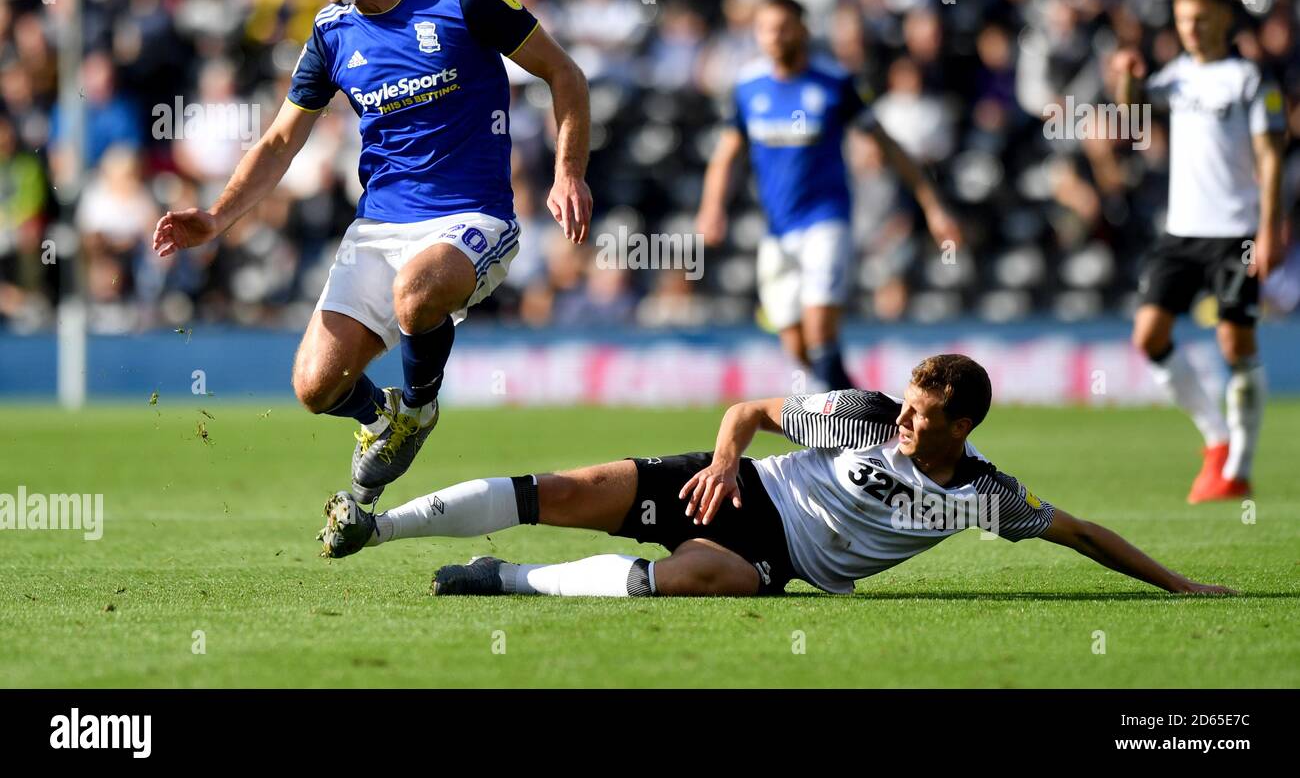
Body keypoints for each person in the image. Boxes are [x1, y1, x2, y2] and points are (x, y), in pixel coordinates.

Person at [152, 0, 593, 503]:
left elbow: (564, 73)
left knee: (416, 292)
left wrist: (568, 171)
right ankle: (381, 421)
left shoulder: (462, 0)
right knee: (314, 387)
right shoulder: (331, 32)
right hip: (379, 228)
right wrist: (217, 217)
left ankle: (418, 408)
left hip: (473, 219)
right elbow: (280, 141)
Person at [318, 353, 1235, 599]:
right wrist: (723, 463)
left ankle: (501, 580)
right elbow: (750, 414)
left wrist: (1181, 583)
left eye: (925, 416)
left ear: (965, 426)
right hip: (744, 488)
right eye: (907, 407)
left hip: (775, 556)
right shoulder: (865, 413)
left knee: (698, 580)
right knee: (565, 489)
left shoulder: (983, 494)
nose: (906, 422)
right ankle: (376, 526)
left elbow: (1080, 534)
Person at [695, 0, 959, 392]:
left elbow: (888, 145)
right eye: (766, 28)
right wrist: (711, 208)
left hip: (826, 219)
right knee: (797, 344)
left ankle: (848, 429)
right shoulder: (749, 86)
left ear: (802, 29)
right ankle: (861, 409)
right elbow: (726, 154)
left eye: (783, 26)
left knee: (820, 330)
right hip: (777, 228)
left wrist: (933, 207)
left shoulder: (834, 81)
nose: (775, 36)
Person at [1113, 0, 1287, 502]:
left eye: (1201, 18)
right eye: (1184, 18)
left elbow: (1271, 156)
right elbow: (1132, 114)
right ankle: (1216, 439)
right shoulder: (1177, 78)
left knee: (1235, 341)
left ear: (1224, 18)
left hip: (1235, 231)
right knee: (1149, 336)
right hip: (1180, 233)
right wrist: (1126, 78)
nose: (1191, 28)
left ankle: (1239, 467)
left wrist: (1270, 227)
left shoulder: (1249, 79)